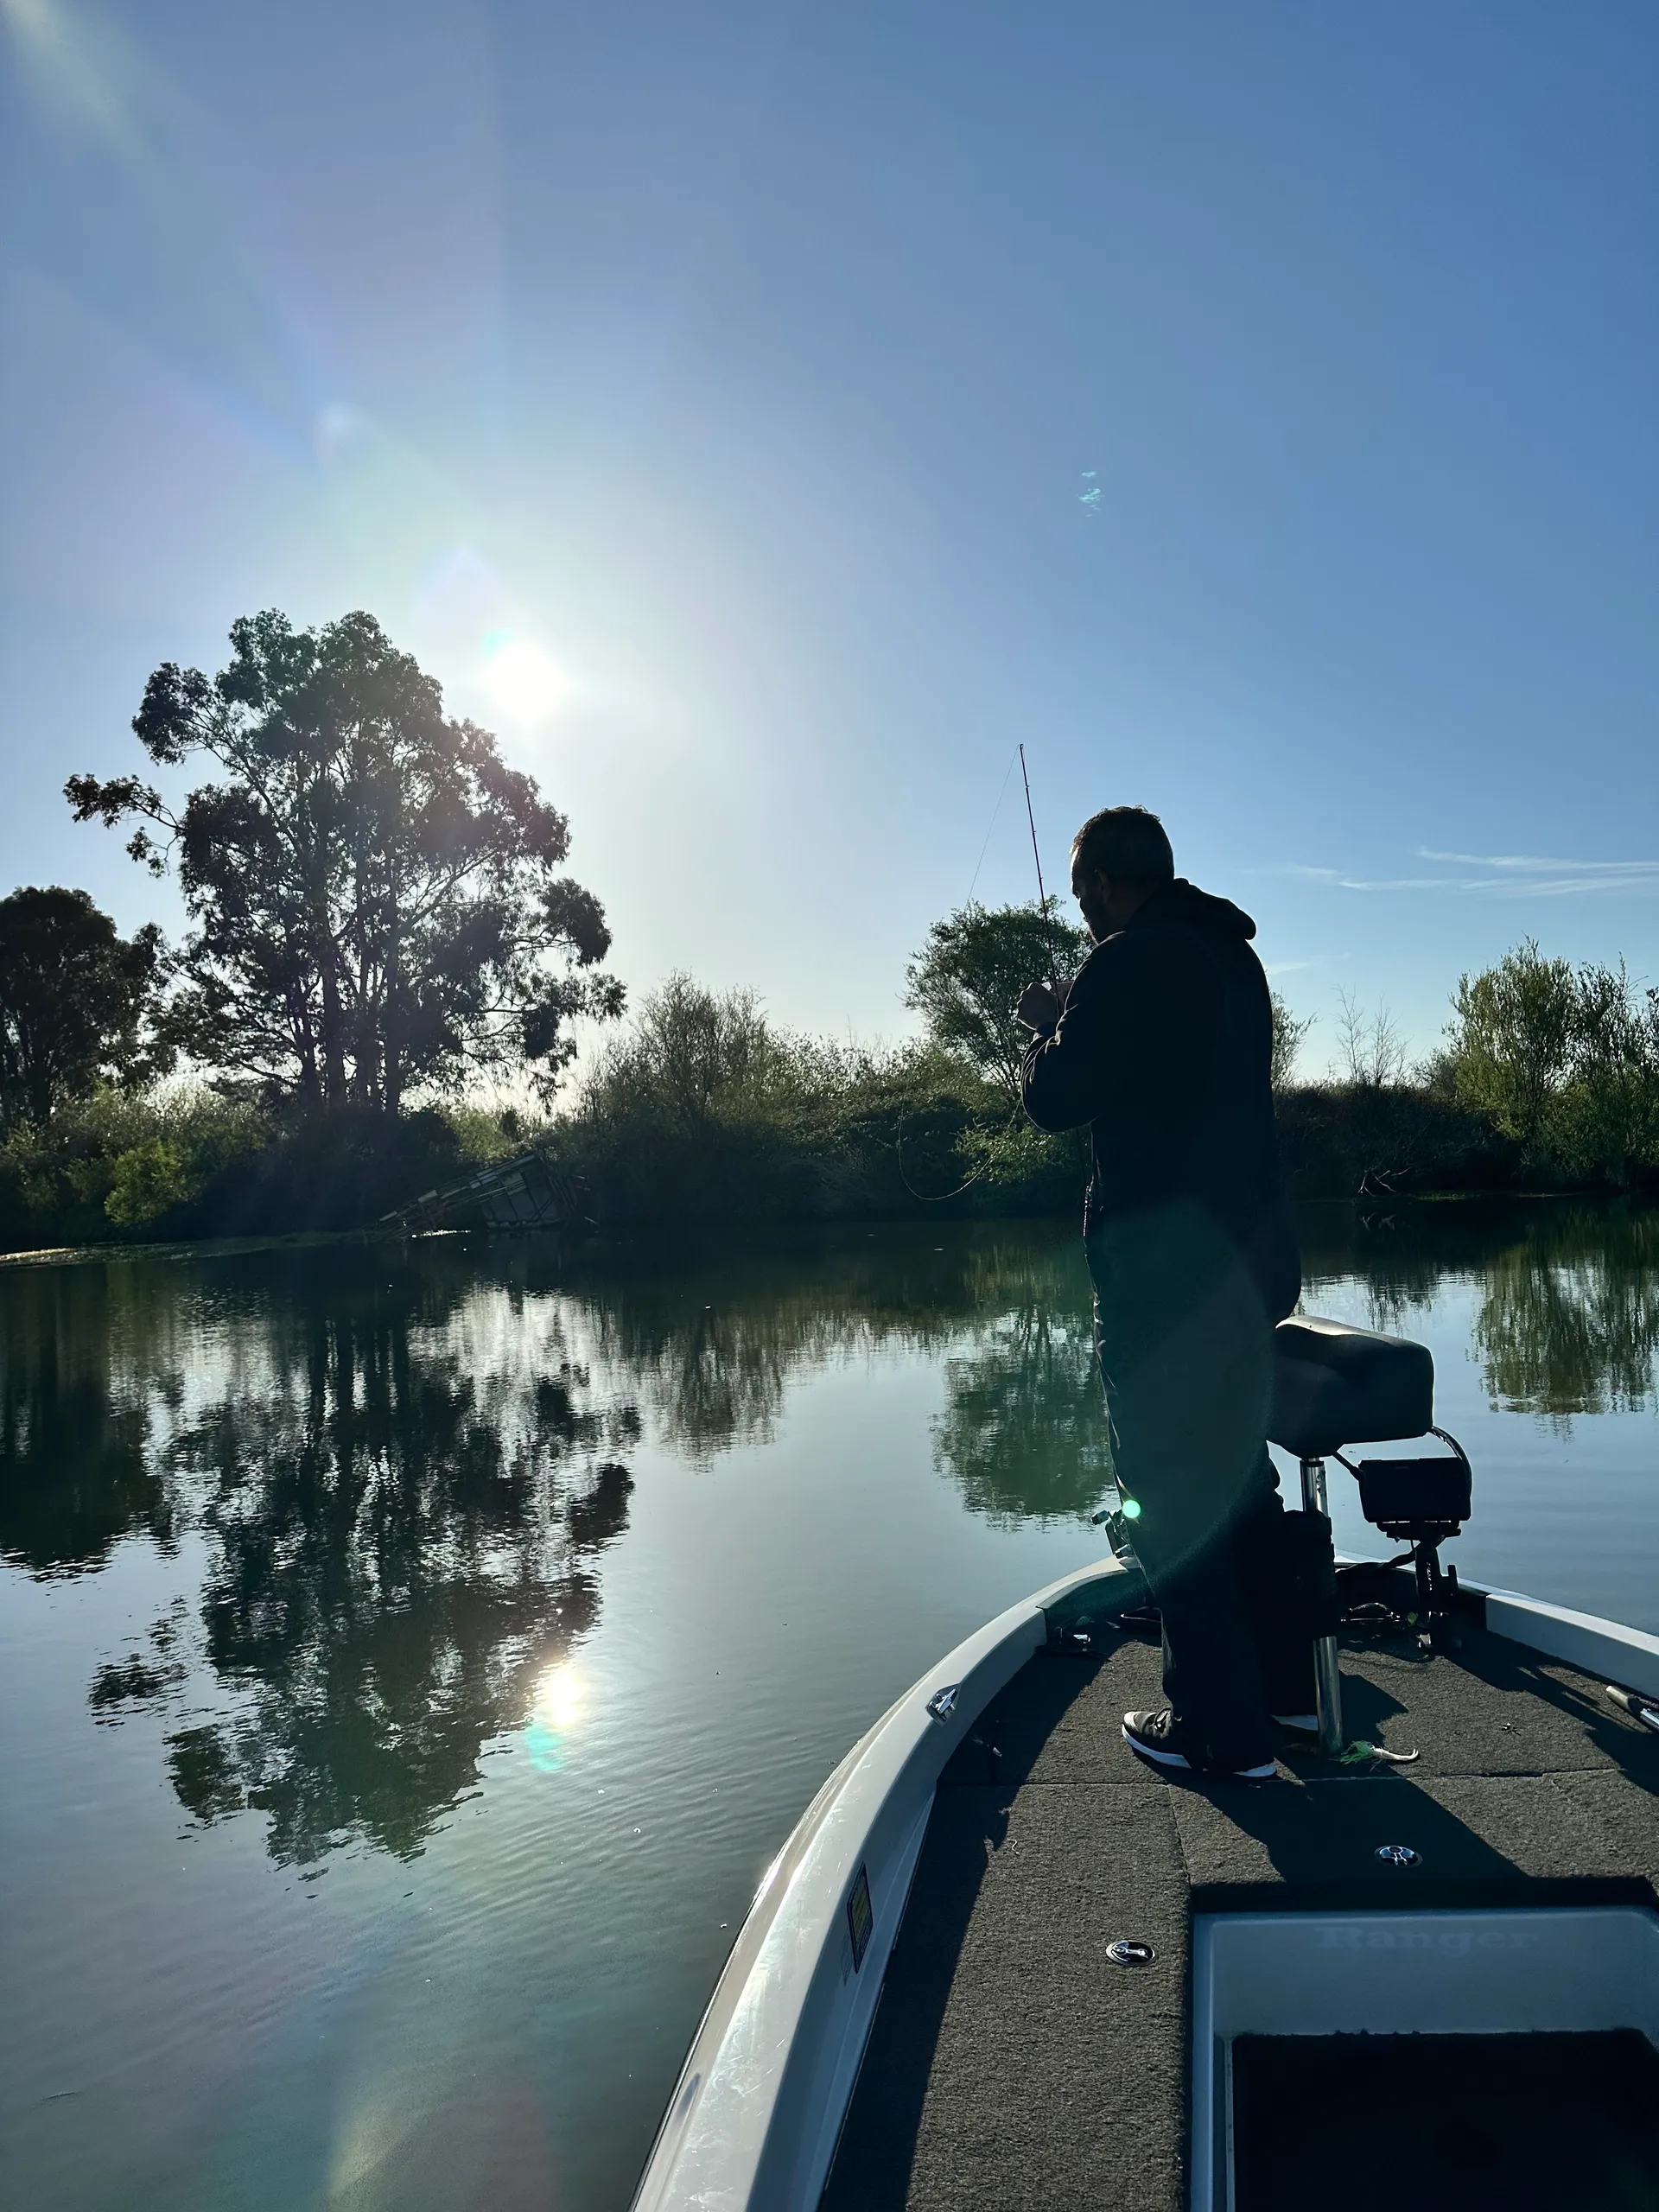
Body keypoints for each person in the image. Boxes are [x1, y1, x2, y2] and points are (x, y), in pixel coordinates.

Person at [1018, 805, 1313, 1780]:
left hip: (1163, 1282)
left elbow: (1056, 1098)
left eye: (1082, 894)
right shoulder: (1236, 959)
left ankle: (1219, 1732)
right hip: (1252, 1265)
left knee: (1170, 1490)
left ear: (1104, 884)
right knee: (1241, 1476)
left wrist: (1052, 1025)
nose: (1082, 912)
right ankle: (1287, 1693)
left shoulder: (1125, 963)